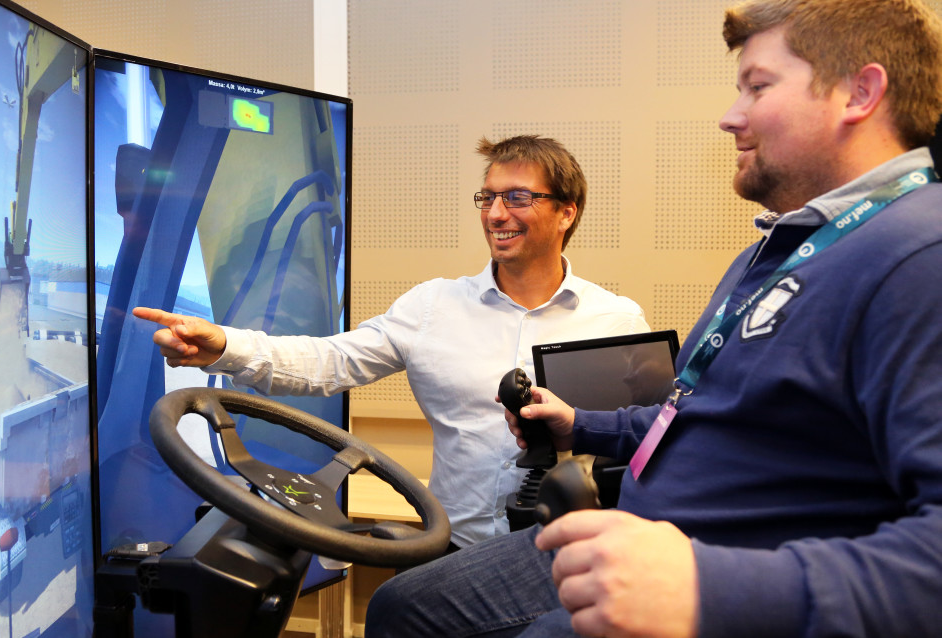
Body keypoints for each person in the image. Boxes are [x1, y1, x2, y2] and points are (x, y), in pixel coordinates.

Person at [364, 0, 942, 636]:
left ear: (860, 92)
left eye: (758, 86)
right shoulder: (782, 250)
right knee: (401, 607)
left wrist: (705, 588)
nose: (730, 116)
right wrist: (580, 425)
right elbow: (697, 415)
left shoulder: (918, 257)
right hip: (646, 529)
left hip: (713, 568)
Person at [132, 134, 651, 549]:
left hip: (569, 557)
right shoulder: (433, 307)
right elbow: (329, 362)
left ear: (567, 211)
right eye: (487, 197)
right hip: (456, 551)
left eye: (517, 198)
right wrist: (225, 346)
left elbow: (646, 445)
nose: (495, 214)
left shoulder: (618, 321)